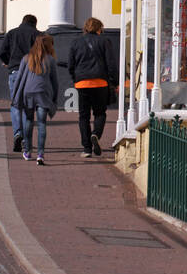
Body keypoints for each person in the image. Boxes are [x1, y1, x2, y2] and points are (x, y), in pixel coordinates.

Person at [68, 18, 117, 158]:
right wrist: (114, 81)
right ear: (99, 28)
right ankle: (96, 133)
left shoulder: (76, 42)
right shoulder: (104, 41)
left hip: (82, 83)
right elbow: (111, 63)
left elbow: (71, 64)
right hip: (100, 82)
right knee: (100, 112)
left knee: (83, 115)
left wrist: (75, 78)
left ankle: (87, 148)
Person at [11, 33, 59, 165]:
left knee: (29, 121)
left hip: (28, 93)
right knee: (42, 123)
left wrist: (15, 96)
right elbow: (55, 82)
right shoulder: (50, 60)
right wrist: (54, 99)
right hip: (43, 94)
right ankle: (40, 155)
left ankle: (27, 151)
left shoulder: (26, 58)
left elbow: (19, 78)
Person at [0, 13, 38, 152]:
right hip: (32, 74)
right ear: (34, 23)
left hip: (15, 71)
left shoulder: (12, 33)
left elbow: (1, 52)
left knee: (16, 105)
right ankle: (26, 140)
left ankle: (18, 134)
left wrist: (9, 62)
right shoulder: (38, 35)